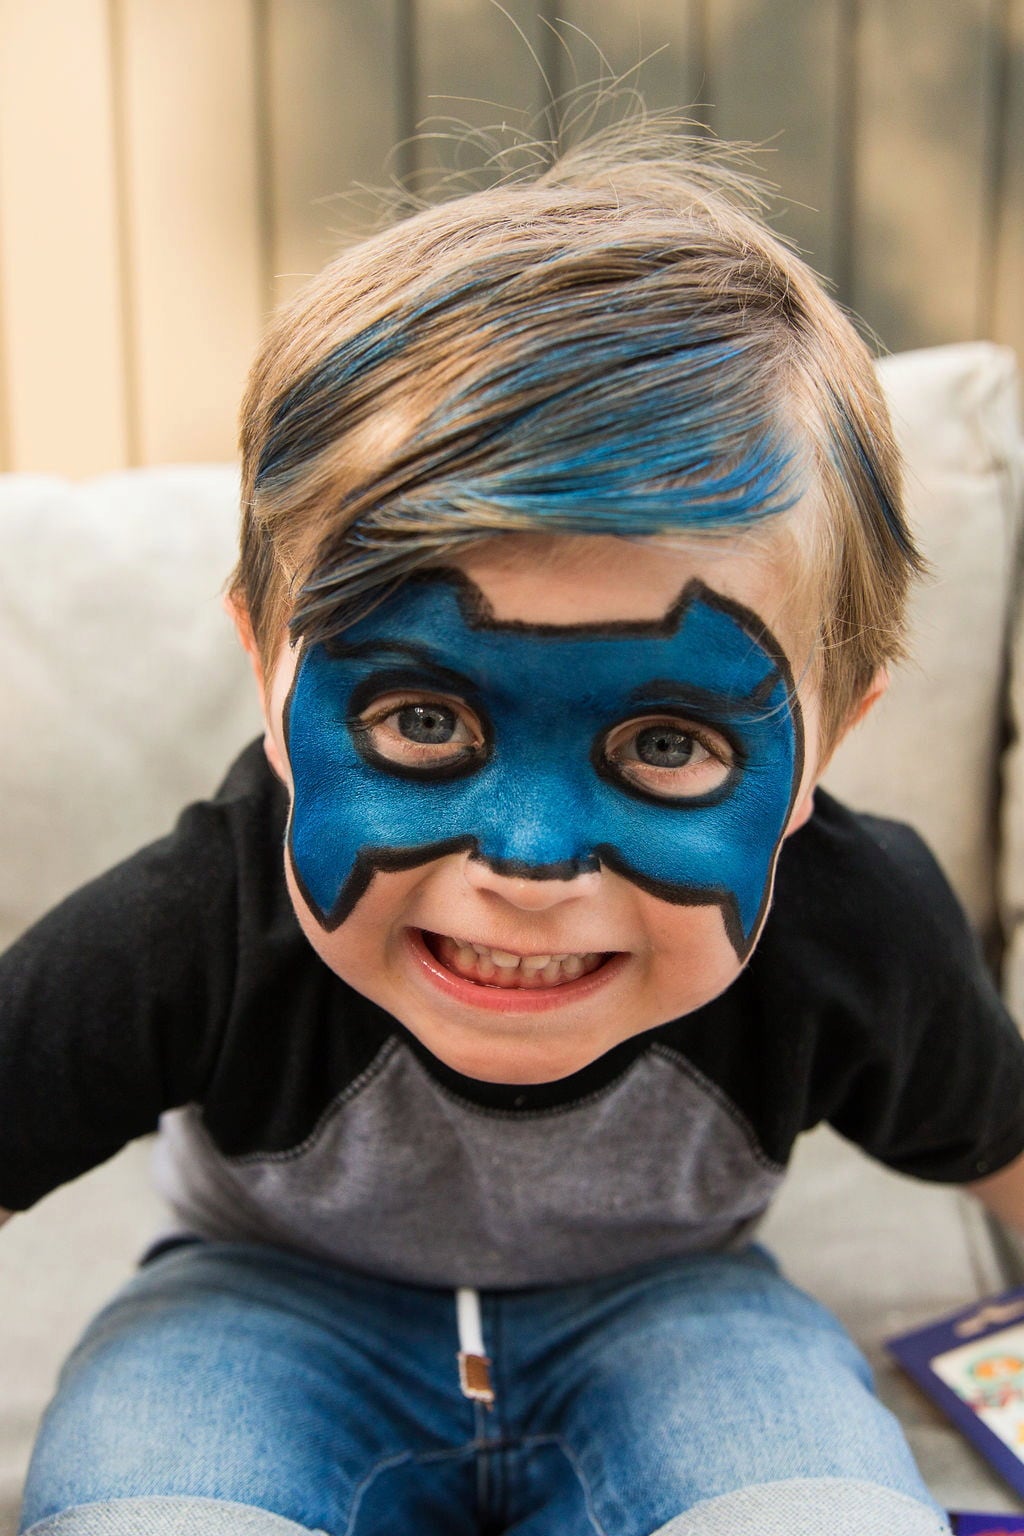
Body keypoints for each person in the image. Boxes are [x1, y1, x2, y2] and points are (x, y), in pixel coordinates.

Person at [3, 131, 1024, 1536]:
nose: (530, 863)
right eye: (423, 720)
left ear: (826, 747)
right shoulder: (197, 919)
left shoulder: (856, 928)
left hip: (679, 1317)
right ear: (266, 674)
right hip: (255, 1312)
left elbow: (1002, 1145)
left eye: (667, 744)